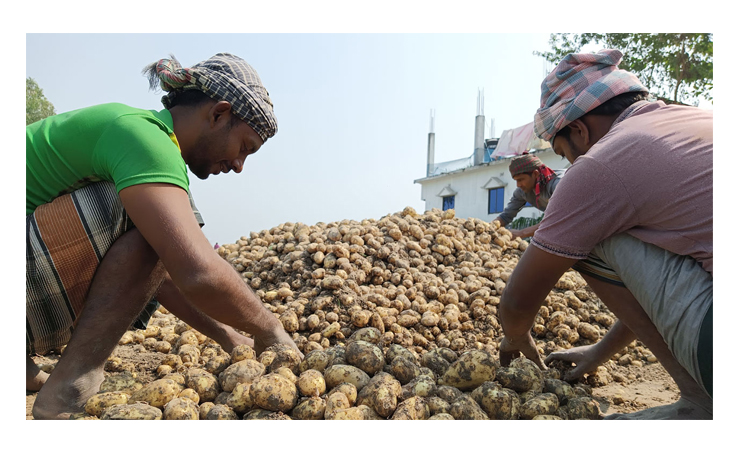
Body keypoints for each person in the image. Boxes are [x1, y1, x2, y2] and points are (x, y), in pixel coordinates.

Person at [26, 53, 301, 420]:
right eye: (244, 147)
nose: (239, 166)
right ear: (219, 114)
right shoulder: (145, 141)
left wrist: (229, 337)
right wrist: (271, 328)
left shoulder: (142, 138)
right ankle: (69, 387)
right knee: (156, 227)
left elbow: (156, 277)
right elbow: (195, 271)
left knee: (159, 229)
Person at [497, 49, 712, 419]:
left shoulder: (599, 165)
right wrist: (600, 351)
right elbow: (655, 287)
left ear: (579, 130)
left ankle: (703, 402)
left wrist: (515, 335)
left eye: (565, 153)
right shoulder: (699, 118)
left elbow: (515, 306)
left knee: (590, 231)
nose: (570, 164)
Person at [493, 152, 563, 239]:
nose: (518, 185)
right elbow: (505, 216)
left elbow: (560, 218)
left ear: (535, 174)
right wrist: (489, 228)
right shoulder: (522, 192)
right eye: (516, 180)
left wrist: (522, 233)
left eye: (521, 179)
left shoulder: (559, 184)